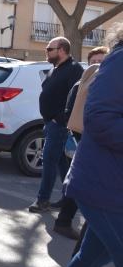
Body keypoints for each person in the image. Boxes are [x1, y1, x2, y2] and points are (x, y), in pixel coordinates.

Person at [38, 23, 123, 267]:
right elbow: (99, 119)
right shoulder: (119, 61)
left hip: (112, 186)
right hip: (103, 185)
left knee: (92, 256)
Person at [52, 46, 108, 240]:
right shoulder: (82, 84)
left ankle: (65, 222)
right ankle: (66, 222)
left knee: (80, 182)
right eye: (94, 62)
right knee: (83, 184)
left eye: (102, 62)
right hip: (87, 140)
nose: (98, 66)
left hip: (91, 140)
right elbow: (71, 114)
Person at [29, 37, 84, 213]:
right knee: (61, 163)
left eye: (49, 49)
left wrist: (59, 119)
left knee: (49, 160)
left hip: (58, 125)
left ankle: (42, 200)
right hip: (50, 123)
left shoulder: (74, 69)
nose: (46, 52)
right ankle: (69, 199)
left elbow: (75, 98)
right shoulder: (56, 68)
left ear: (61, 50)